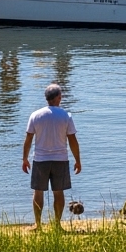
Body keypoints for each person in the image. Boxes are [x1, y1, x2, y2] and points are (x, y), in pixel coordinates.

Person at [21, 83, 81, 230]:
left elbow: (28, 139)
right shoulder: (66, 116)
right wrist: (78, 160)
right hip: (60, 159)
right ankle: (57, 224)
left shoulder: (35, 115)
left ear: (47, 98)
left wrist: (24, 159)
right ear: (59, 98)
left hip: (40, 159)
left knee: (38, 192)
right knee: (58, 193)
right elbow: (72, 140)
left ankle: (38, 224)